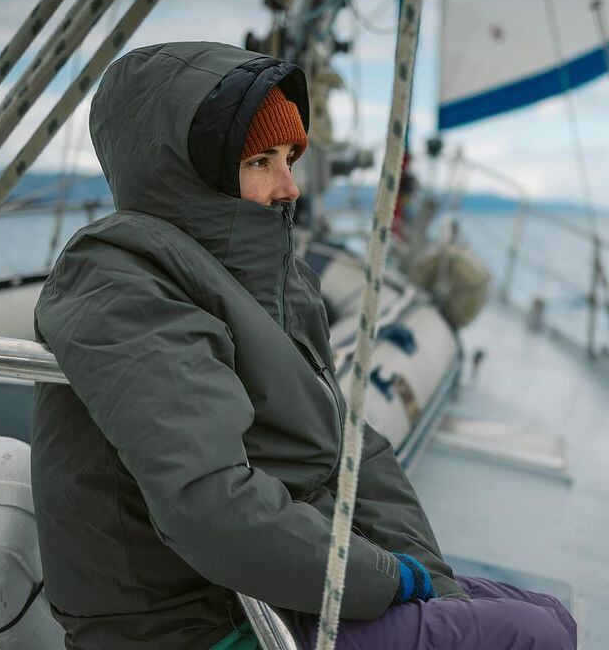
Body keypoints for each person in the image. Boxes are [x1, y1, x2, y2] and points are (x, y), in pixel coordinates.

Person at [32, 41, 576, 650]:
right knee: (529, 638)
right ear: (187, 169)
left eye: (292, 157)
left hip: (278, 593)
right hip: (195, 624)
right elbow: (209, 506)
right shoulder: (120, 282)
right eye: (262, 159)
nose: (290, 187)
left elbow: (351, 451)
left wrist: (427, 577)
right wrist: (387, 579)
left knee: (551, 616)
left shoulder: (273, 280)